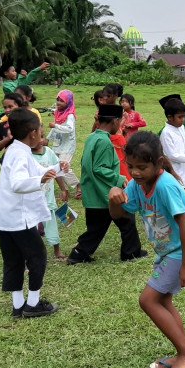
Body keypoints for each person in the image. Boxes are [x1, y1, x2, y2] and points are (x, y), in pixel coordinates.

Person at [107, 132, 185, 368]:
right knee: (163, 300)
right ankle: (182, 351)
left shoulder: (165, 186)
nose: (136, 172)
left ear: (159, 163)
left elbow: (184, 222)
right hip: (168, 250)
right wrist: (114, 197)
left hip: (181, 250)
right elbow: (119, 215)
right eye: (130, 167)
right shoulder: (136, 186)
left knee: (148, 300)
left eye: (142, 167)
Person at [0, 108, 59, 318]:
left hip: (5, 217)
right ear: (33, 133)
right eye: (41, 130)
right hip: (18, 219)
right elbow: (18, 183)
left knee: (13, 260)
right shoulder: (20, 154)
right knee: (37, 256)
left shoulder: (16, 149)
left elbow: (38, 170)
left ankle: (18, 304)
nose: (42, 134)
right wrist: (40, 180)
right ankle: (33, 303)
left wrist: (57, 168)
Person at [67, 103, 147, 264]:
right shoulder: (104, 141)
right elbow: (99, 168)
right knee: (126, 219)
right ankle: (130, 253)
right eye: (120, 121)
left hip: (94, 193)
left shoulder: (93, 137)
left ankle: (79, 254)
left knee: (97, 229)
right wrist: (119, 179)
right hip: (103, 193)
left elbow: (86, 164)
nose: (121, 125)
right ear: (115, 121)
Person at [0, 61, 51, 139]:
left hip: (16, 111)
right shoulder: (6, 85)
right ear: (6, 73)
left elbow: (29, 78)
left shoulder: (18, 81)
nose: (15, 73)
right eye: (13, 71)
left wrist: (39, 69)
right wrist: (22, 77)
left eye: (15, 71)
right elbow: (17, 92)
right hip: (6, 112)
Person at [31, 140, 70, 261]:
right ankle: (33, 253)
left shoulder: (49, 152)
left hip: (48, 199)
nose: (41, 139)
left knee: (51, 224)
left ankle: (57, 249)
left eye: (42, 135)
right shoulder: (27, 156)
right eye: (38, 135)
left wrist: (64, 189)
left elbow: (57, 172)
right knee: (32, 228)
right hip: (32, 201)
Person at [47, 89, 79, 190]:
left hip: (68, 145)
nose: (58, 102)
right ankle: (64, 188)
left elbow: (69, 129)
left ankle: (78, 185)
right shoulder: (58, 113)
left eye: (61, 100)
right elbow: (55, 129)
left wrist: (55, 126)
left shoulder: (70, 116)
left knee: (64, 166)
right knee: (56, 165)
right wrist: (48, 139)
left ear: (68, 102)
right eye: (57, 99)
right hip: (58, 143)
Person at [0, 93, 26, 161]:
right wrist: (7, 138)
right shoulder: (2, 126)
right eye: (5, 107)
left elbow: (42, 142)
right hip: (10, 161)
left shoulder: (29, 123)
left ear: (20, 107)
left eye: (10, 107)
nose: (7, 110)